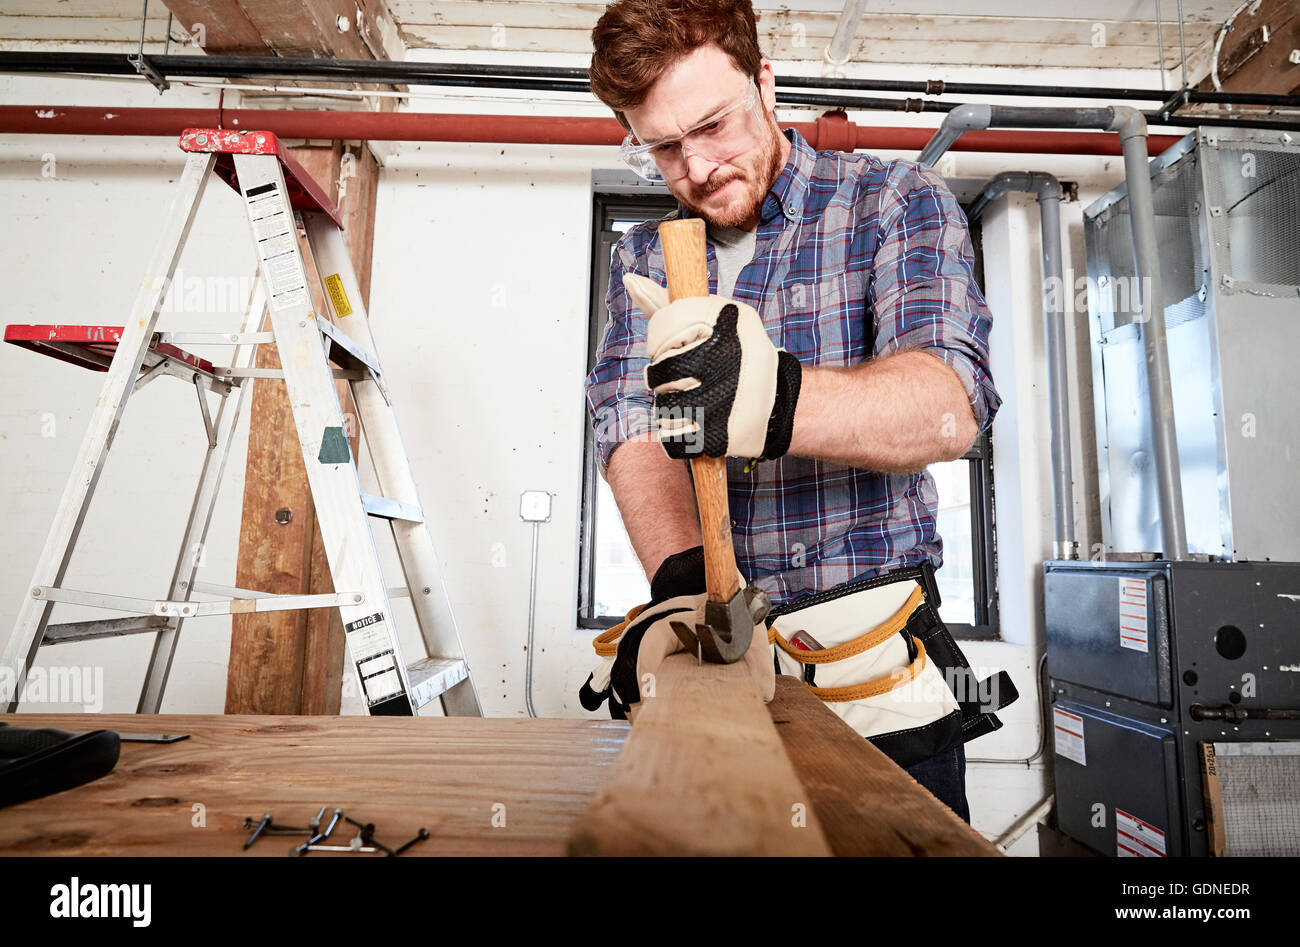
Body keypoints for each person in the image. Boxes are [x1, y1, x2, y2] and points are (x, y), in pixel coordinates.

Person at [578, 0, 1016, 823]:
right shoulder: (641, 254)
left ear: (766, 85)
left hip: (874, 670)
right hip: (716, 670)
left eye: (714, 125)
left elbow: (951, 403)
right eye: (664, 146)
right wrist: (681, 581)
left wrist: (772, 397)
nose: (697, 166)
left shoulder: (895, 202)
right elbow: (624, 421)